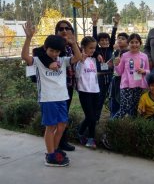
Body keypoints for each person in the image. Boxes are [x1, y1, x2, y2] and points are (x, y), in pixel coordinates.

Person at [21, 21, 82, 167]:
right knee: (51, 127)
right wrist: (28, 38)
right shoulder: (38, 61)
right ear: (45, 49)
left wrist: (73, 44)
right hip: (48, 99)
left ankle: (54, 150)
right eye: (51, 51)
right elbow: (25, 56)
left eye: (57, 52)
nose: (54, 54)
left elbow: (78, 57)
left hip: (62, 97)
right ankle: (50, 155)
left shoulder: (62, 60)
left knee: (62, 126)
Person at [32, 20, 77, 152]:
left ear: (71, 31)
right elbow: (38, 52)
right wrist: (48, 63)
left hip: (66, 86)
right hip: (50, 89)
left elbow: (78, 56)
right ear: (56, 31)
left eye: (67, 28)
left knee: (63, 119)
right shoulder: (52, 44)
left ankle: (60, 143)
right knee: (52, 123)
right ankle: (55, 148)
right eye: (61, 28)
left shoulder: (71, 44)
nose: (64, 31)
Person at [113, 33, 150, 118]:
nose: (134, 44)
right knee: (124, 108)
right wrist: (116, 64)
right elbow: (119, 72)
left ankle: (131, 128)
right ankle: (112, 125)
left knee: (135, 109)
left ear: (140, 44)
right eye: (132, 42)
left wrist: (143, 71)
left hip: (139, 85)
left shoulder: (144, 56)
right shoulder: (124, 56)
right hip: (126, 85)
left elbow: (148, 71)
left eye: (136, 42)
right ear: (128, 44)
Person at [92, 13, 120, 121]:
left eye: (106, 40)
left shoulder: (110, 49)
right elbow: (94, 37)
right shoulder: (97, 50)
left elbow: (113, 36)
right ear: (98, 42)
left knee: (113, 97)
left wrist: (115, 25)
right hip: (100, 77)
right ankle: (96, 118)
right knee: (100, 98)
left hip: (110, 75)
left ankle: (113, 117)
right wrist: (94, 24)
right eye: (102, 40)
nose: (105, 42)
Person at [75, 36, 99, 149]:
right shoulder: (79, 60)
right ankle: (90, 139)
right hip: (84, 92)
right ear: (83, 47)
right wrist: (81, 61)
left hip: (95, 91)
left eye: (94, 48)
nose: (93, 50)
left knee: (92, 116)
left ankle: (80, 132)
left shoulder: (93, 60)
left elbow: (93, 76)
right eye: (91, 48)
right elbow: (77, 75)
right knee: (91, 117)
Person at [108, 32, 129, 117]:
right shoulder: (116, 52)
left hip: (123, 81)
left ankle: (117, 120)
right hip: (115, 80)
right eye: (119, 38)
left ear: (128, 42)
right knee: (113, 101)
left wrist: (118, 51)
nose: (120, 40)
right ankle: (113, 120)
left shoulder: (127, 53)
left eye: (123, 39)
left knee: (120, 100)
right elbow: (110, 64)